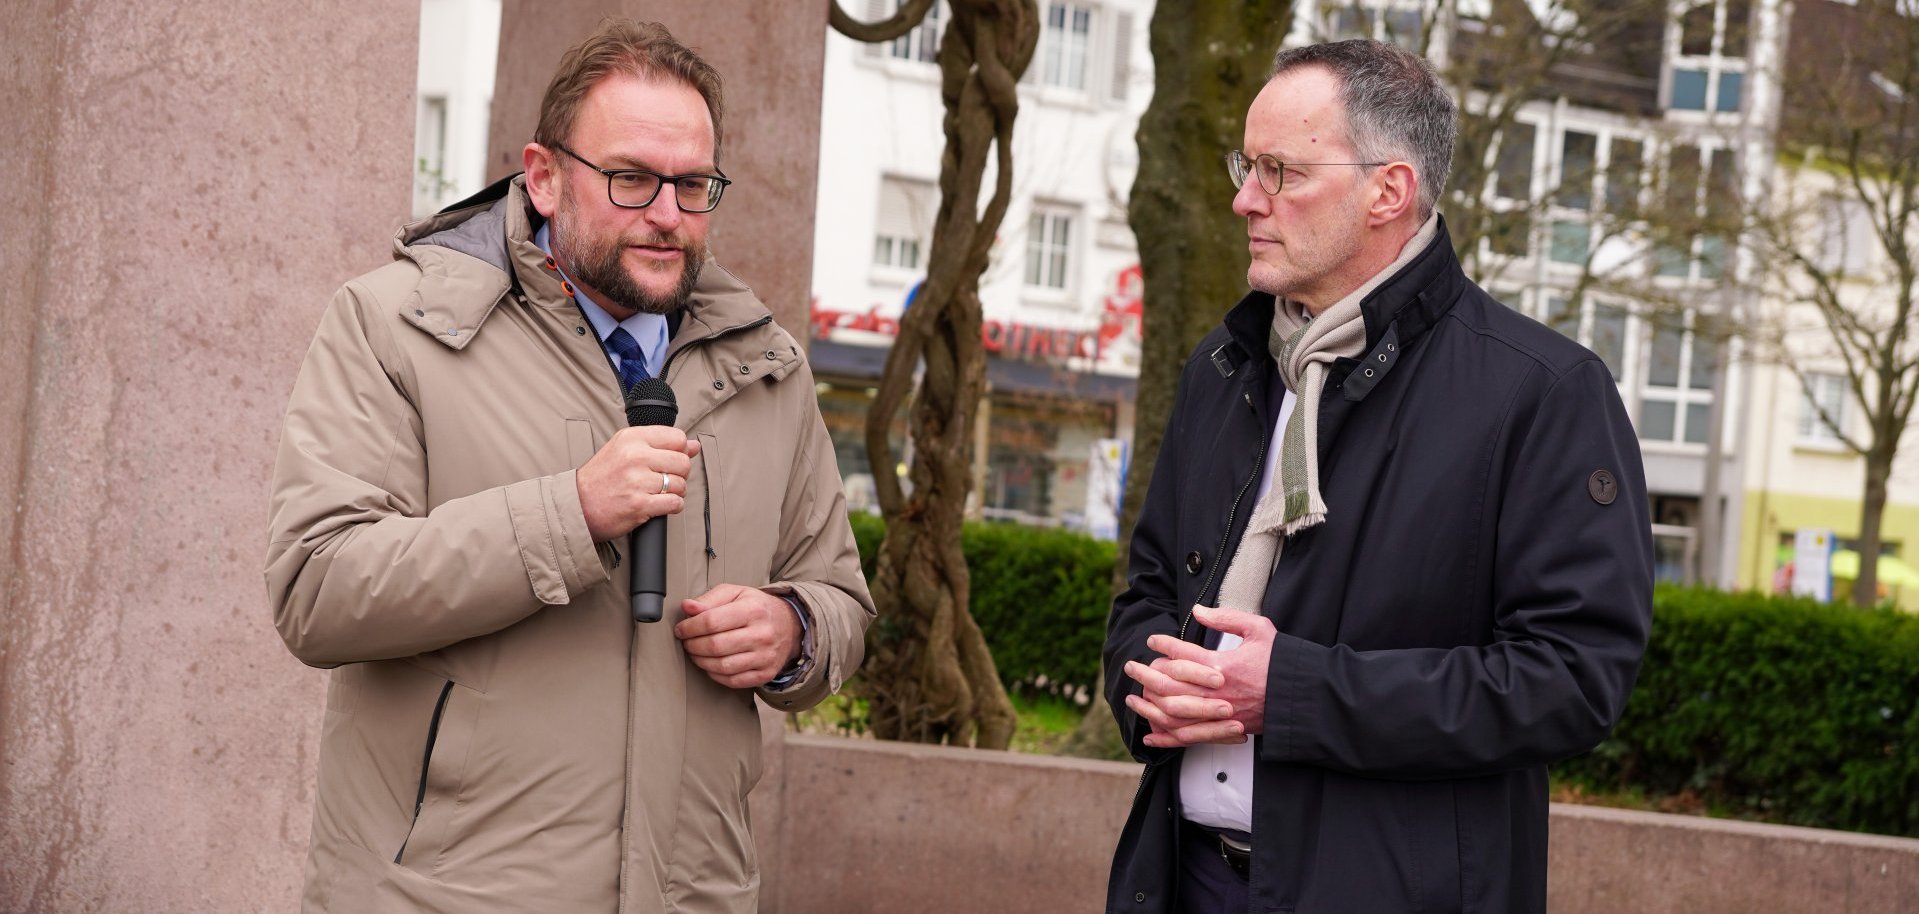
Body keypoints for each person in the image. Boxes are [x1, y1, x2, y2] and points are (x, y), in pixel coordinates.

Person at [265, 19, 874, 913]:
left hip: (690, 893)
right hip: (444, 895)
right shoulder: (392, 324)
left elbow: (841, 599)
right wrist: (571, 513)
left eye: (693, 185)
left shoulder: (767, 366)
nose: (667, 214)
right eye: (631, 178)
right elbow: (316, 590)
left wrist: (794, 633)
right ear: (544, 177)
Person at [1103, 39, 1652, 914]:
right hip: (1183, 878)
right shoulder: (1225, 365)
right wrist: (1152, 680)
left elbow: (1571, 680)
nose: (1245, 199)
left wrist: (1292, 692)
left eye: (1280, 172)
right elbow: (1146, 592)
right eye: (1244, 165)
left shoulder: (1541, 392)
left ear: (1386, 192)